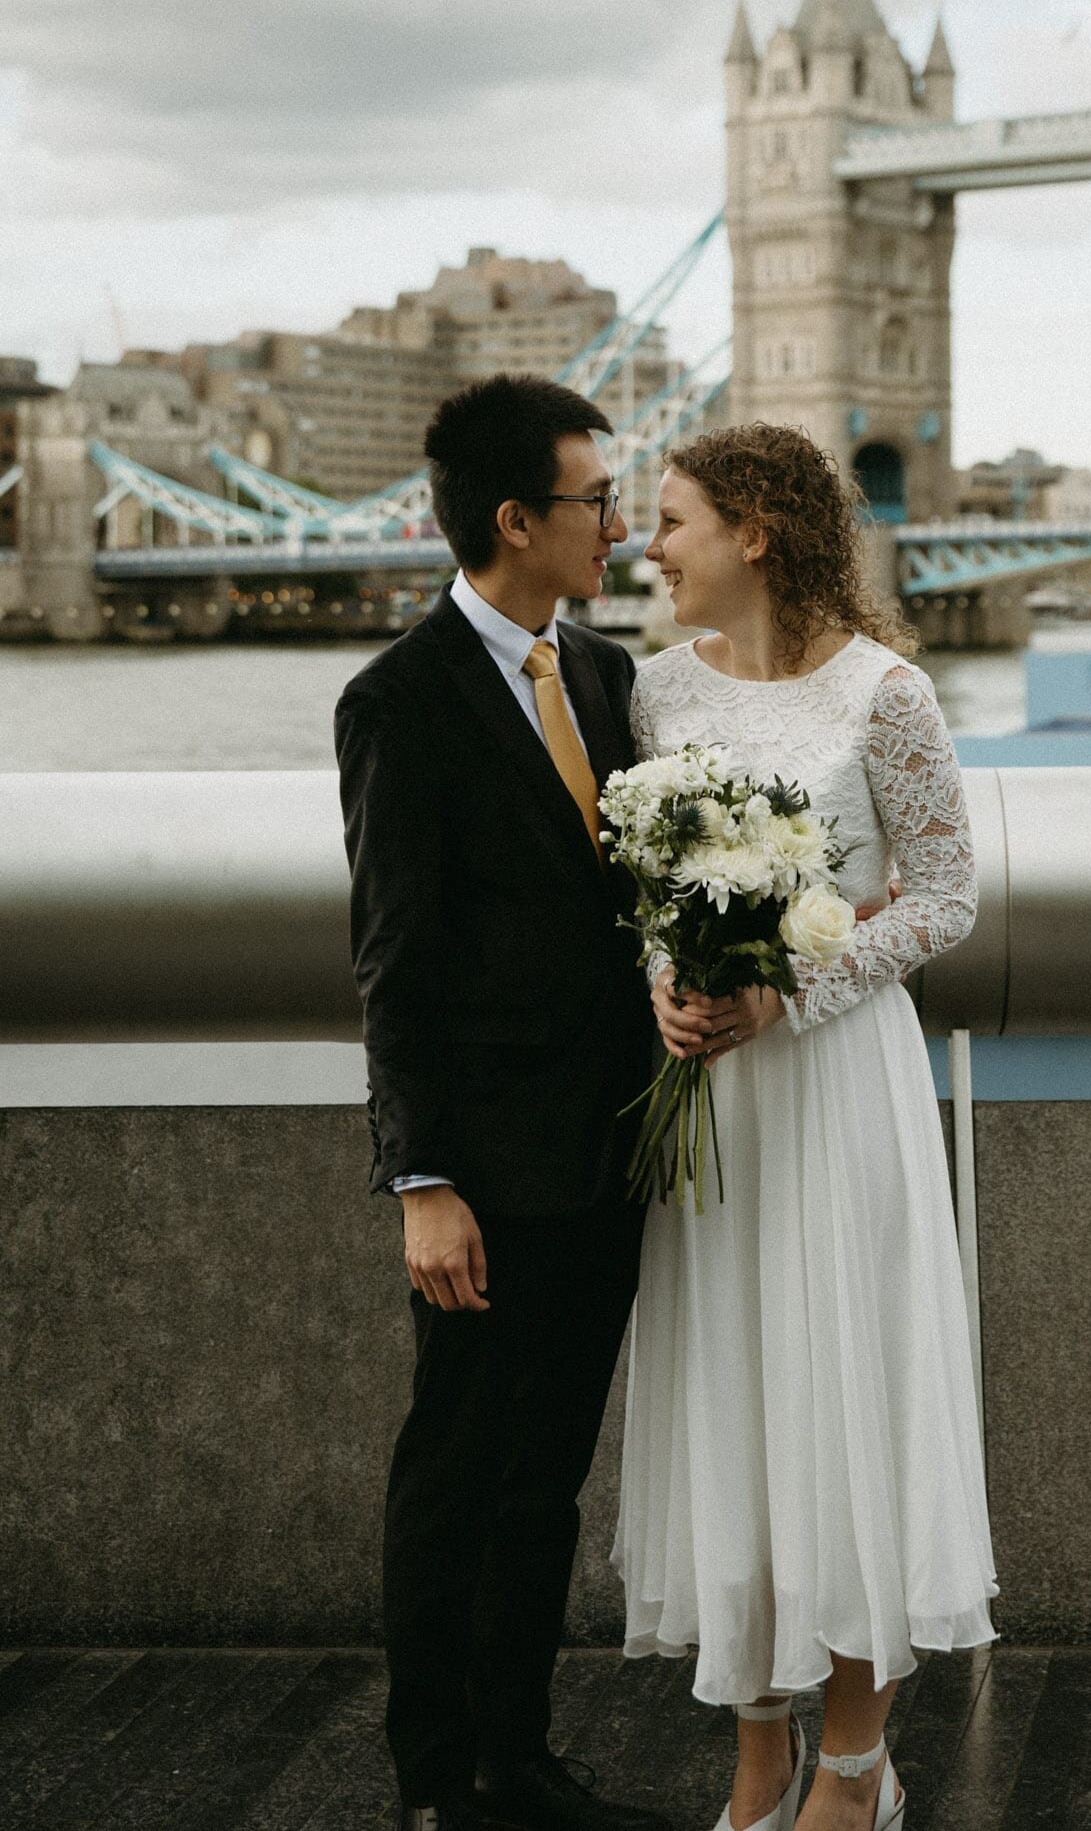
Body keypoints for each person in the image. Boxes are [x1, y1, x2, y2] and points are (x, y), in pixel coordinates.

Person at [613, 425, 998, 1831]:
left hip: (836, 1089)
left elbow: (945, 894)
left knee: (845, 1408)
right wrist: (669, 983)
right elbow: (642, 897)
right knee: (735, 1405)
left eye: (670, 522)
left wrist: (791, 992)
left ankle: (853, 1766)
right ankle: (755, 1751)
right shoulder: (651, 696)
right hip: (710, 1102)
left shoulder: (882, 695)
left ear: (755, 530)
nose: (647, 549)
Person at [335, 374, 662, 1831]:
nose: (618, 521)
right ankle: (430, 1784)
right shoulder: (396, 700)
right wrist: (423, 1181)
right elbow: (391, 962)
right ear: (516, 517)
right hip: (483, 1173)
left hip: (609, 1155)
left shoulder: (603, 674)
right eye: (594, 499)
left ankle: (513, 1759)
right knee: (455, 1476)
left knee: (547, 1482)